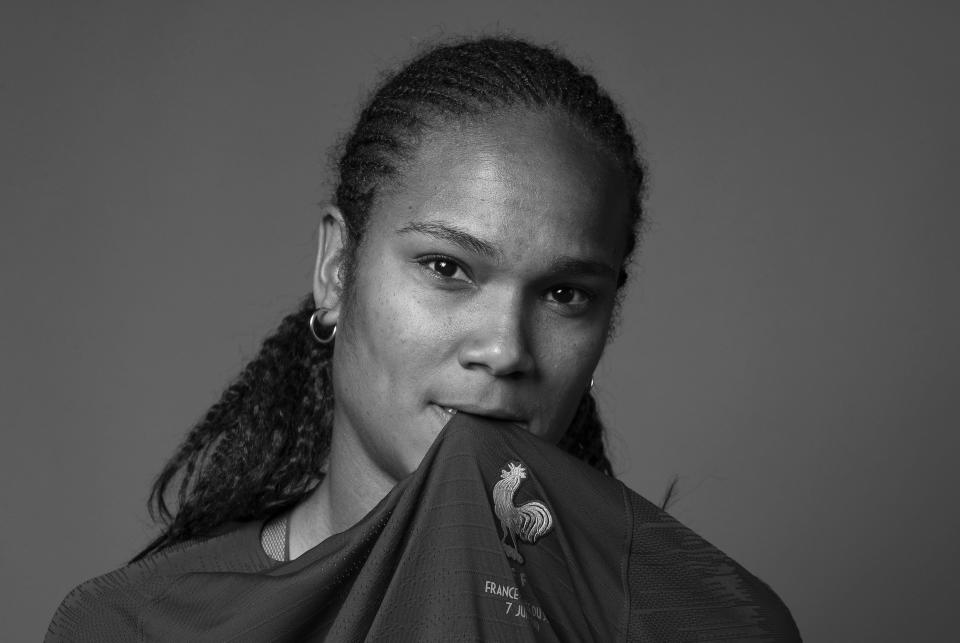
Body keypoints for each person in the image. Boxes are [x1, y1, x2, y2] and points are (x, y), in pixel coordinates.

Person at [46, 37, 801, 641]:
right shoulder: (136, 627)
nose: (506, 349)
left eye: (565, 294)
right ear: (338, 269)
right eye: (447, 267)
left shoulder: (698, 622)